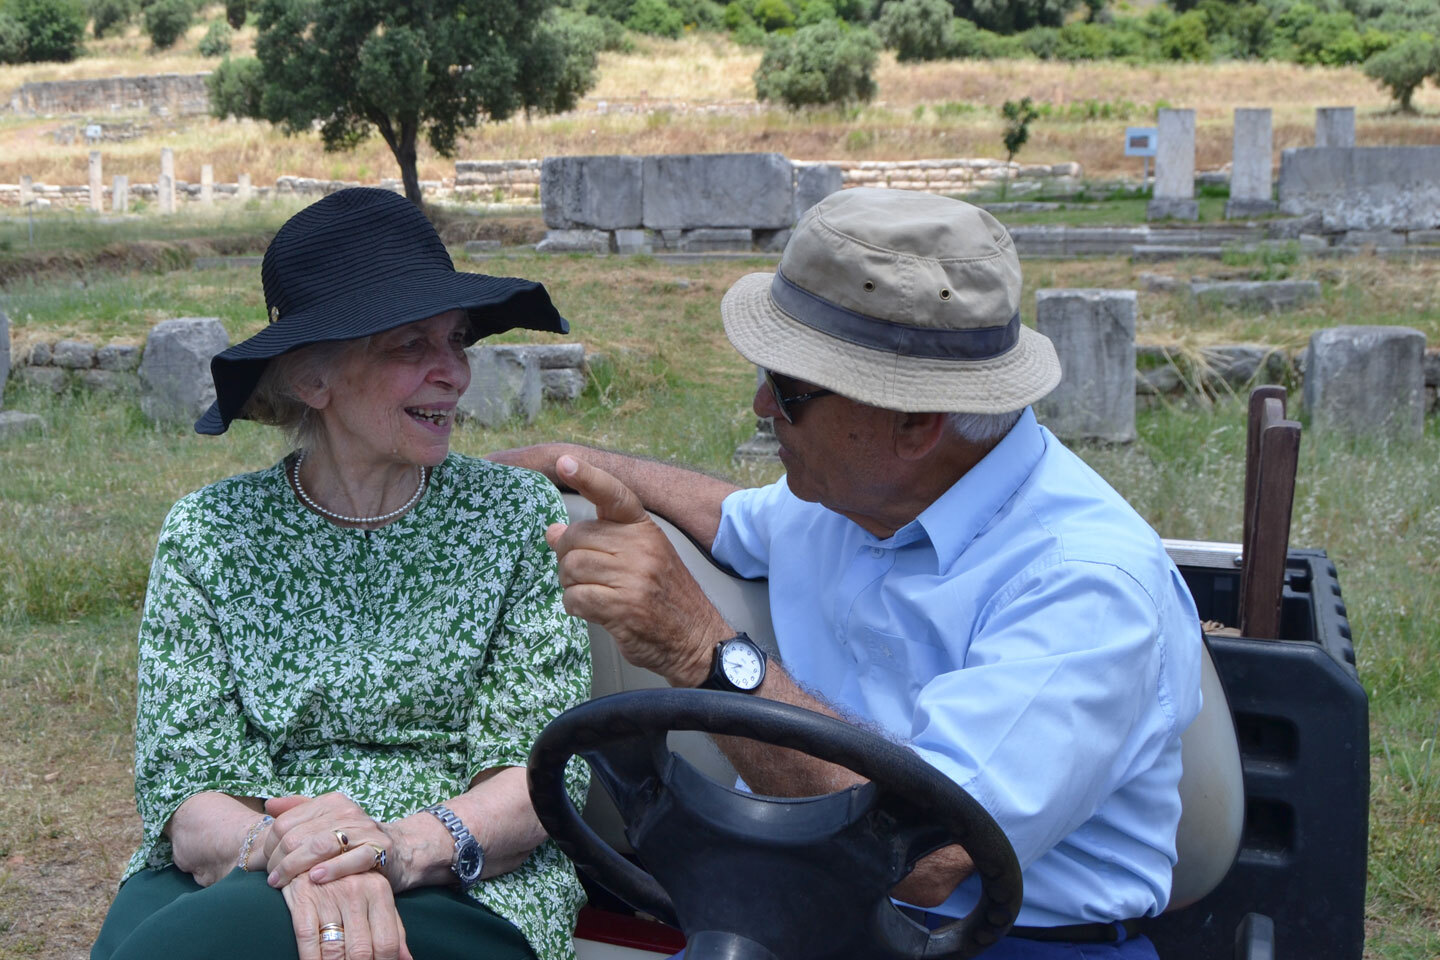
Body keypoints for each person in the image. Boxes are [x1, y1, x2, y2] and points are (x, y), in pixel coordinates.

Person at [492, 187, 1203, 959]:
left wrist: (705, 653)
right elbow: (735, 518)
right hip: (783, 905)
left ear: (916, 425)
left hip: (997, 941)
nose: (763, 403)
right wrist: (564, 463)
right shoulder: (857, 494)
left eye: (790, 390)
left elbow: (922, 857)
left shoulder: (1086, 588)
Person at [92, 188, 592, 960]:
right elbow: (187, 795)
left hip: (465, 872)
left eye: (456, 340)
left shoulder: (514, 517)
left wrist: (391, 848)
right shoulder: (212, 533)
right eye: (409, 346)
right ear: (312, 380)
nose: (452, 374)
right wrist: (301, 854)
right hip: (238, 863)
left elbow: (538, 773)